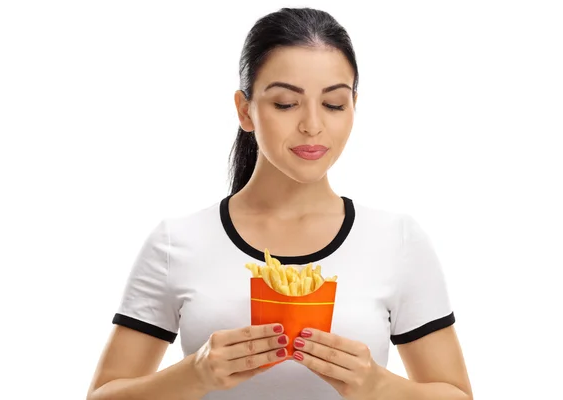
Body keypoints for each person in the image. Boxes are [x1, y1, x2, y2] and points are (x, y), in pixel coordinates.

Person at [86, 7, 473, 400]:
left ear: (355, 106)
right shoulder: (177, 241)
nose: (312, 125)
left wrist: (378, 385)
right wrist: (196, 374)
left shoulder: (397, 240)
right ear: (245, 110)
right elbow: (103, 396)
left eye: (334, 104)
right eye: (286, 103)